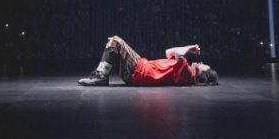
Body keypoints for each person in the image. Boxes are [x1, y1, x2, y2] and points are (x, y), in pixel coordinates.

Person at [78, 36, 218, 86]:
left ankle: (101, 76)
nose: (200, 63)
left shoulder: (188, 73)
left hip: (139, 70)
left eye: (204, 66)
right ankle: (101, 74)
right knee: (113, 45)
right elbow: (168, 52)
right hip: (137, 74)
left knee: (116, 41)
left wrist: (189, 48)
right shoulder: (184, 71)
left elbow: (176, 52)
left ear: (203, 75)